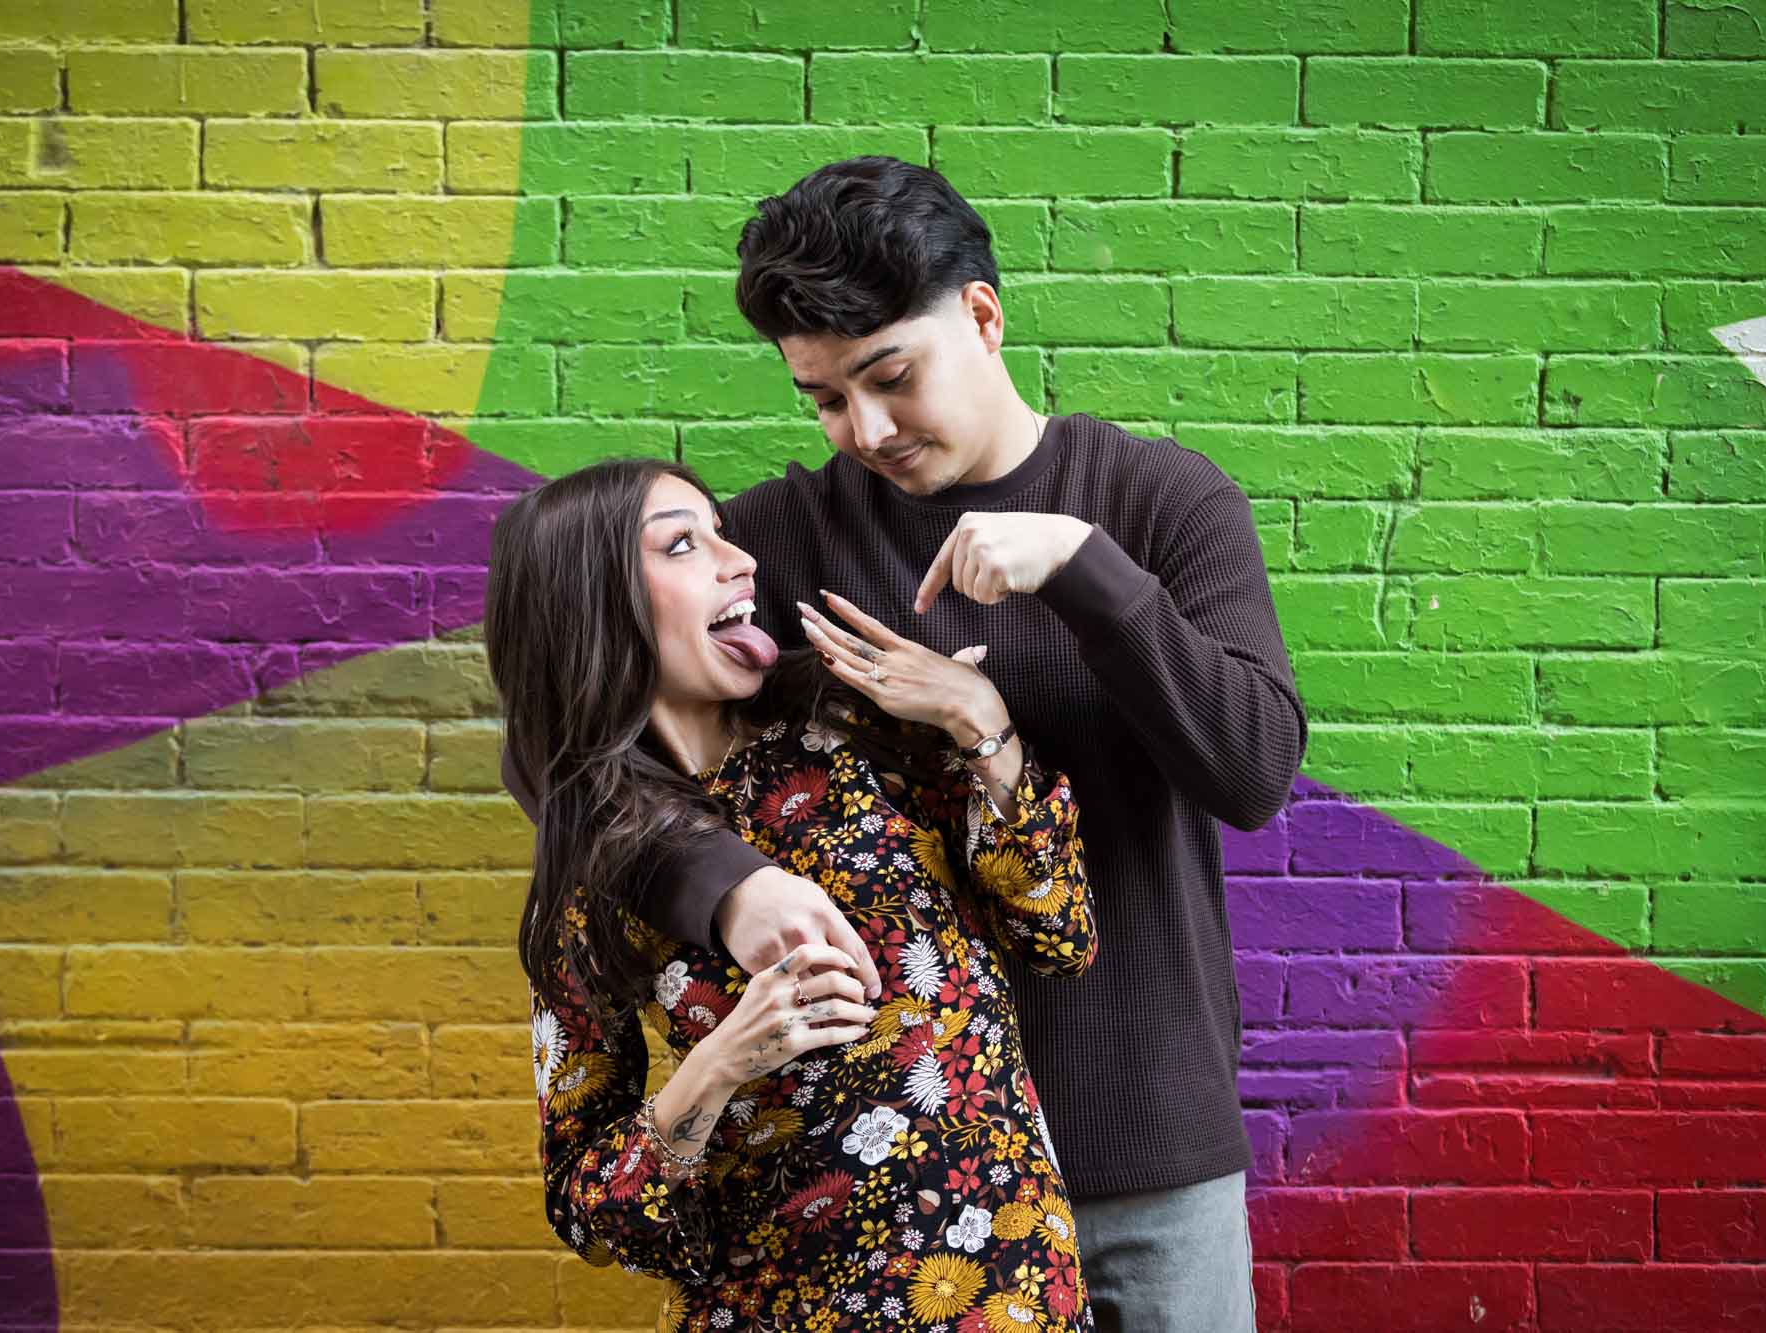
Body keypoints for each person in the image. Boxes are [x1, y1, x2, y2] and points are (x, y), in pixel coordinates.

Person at [505, 157, 1308, 1330]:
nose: (864, 430)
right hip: (874, 1200)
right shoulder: (785, 538)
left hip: (1139, 1142)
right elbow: (582, 733)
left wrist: (1085, 574)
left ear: (981, 317)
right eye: (825, 399)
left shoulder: (1157, 505)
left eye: (889, 378)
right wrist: (727, 886)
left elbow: (1251, 771)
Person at [486, 457, 1100, 1330]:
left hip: (1007, 1294)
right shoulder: (596, 871)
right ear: (593, 603)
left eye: (723, 534)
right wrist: (715, 1066)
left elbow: (1061, 933)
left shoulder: (854, 730)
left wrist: (980, 722)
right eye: (684, 544)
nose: (739, 563)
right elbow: (587, 1204)